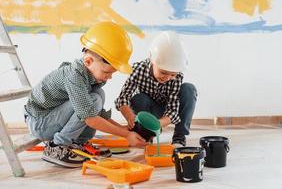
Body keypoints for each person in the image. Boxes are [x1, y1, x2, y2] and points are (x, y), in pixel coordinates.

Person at [24, 21, 147, 168]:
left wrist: (123, 129)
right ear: (88, 61)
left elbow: (98, 114)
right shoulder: (74, 76)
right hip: (40, 122)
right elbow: (90, 118)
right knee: (94, 100)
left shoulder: (89, 77)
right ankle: (57, 146)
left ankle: (77, 143)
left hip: (50, 118)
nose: (109, 77)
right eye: (107, 72)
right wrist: (126, 135)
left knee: (98, 95)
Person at [115, 31, 198, 147]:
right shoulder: (138, 69)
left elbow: (173, 110)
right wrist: (129, 115)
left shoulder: (177, 75)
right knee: (139, 98)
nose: (168, 78)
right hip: (148, 113)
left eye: (172, 74)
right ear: (152, 61)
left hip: (166, 112)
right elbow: (123, 98)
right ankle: (146, 134)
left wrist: (158, 124)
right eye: (163, 72)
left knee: (189, 89)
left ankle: (179, 136)